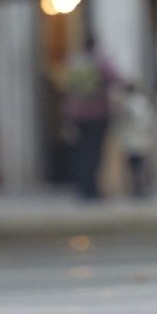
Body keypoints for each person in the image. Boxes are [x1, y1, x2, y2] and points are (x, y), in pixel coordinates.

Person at [59, 34, 120, 200]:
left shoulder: (74, 63)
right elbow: (115, 78)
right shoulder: (101, 62)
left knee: (81, 151)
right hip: (98, 113)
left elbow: (67, 87)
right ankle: (92, 188)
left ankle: (82, 187)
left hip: (77, 114)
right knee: (94, 152)